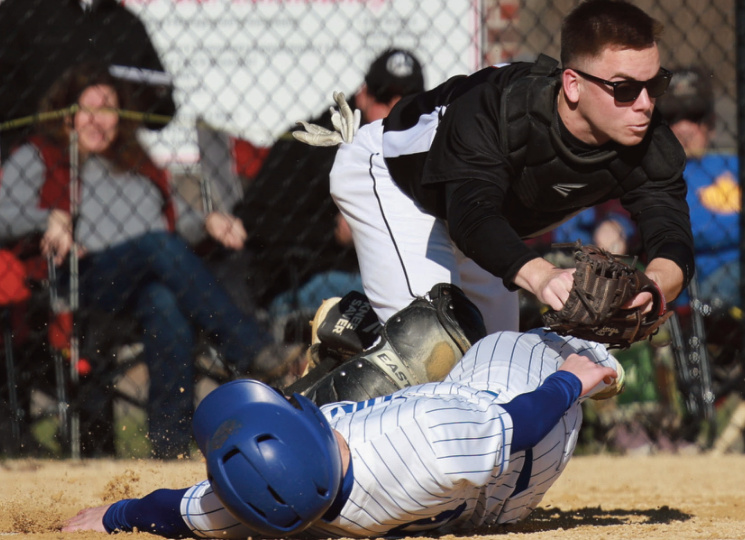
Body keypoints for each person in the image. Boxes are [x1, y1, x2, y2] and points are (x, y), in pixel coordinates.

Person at [308, 0, 693, 338]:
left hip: (482, 222)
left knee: (499, 370)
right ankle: (353, 354)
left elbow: (671, 234)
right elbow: (470, 215)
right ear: (573, 85)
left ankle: (360, 342)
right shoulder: (499, 110)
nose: (644, 103)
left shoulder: (649, 141)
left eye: (654, 84)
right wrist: (542, 276)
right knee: (430, 345)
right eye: (625, 89)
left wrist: (654, 285)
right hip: (394, 182)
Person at [0, 63, 297, 459]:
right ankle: (251, 350)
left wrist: (207, 221)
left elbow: (173, 224)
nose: (97, 120)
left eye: (108, 109)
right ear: (66, 113)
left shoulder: (134, 159)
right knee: (157, 246)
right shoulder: (41, 155)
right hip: (80, 279)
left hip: (142, 281)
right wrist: (49, 217)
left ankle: (169, 447)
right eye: (87, 109)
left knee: (165, 303)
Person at [62, 327, 621, 537]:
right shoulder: (426, 436)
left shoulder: (254, 510)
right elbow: (522, 424)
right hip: (518, 452)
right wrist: (573, 380)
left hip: (468, 496)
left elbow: (173, 511)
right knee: (517, 340)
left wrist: (118, 514)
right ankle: (610, 344)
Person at [231, 49, 425, 339]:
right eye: (385, 99)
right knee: (406, 293)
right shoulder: (310, 146)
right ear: (362, 95)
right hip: (301, 282)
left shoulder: (415, 150)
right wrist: (331, 234)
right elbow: (253, 222)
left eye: (408, 103)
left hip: (366, 274)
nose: (395, 111)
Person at [0, 0, 176, 161]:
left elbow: (161, 110)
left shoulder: (127, 23)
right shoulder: (21, 13)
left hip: (111, 164)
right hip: (35, 156)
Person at [656, 66, 739, 305]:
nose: (684, 129)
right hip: (691, 283)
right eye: (673, 118)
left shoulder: (733, 165)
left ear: (711, 122)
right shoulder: (657, 174)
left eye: (694, 117)